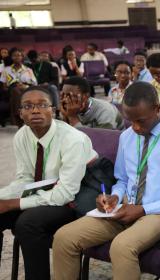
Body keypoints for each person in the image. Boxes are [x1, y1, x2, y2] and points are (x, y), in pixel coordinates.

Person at [52, 81, 160, 280]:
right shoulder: (127, 136)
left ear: (157, 109)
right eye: (130, 120)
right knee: (64, 238)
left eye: (141, 120)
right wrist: (114, 196)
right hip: (124, 207)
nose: (136, 127)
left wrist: (143, 209)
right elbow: (122, 179)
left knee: (122, 247)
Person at [0, 86, 97, 280]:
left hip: (75, 199)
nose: (35, 110)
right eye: (28, 106)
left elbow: (65, 194)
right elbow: (25, 179)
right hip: (44, 193)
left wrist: (13, 203)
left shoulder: (73, 139)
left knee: (27, 223)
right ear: (20, 113)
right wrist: (3, 196)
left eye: (42, 105)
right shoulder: (22, 136)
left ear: (53, 110)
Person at [0, 48, 37, 127]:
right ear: (11, 57)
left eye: (19, 55)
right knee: (15, 91)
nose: (17, 57)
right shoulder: (6, 70)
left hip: (26, 90)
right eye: (14, 55)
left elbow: (35, 84)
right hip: (11, 91)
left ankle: (19, 117)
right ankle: (20, 117)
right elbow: (4, 87)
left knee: (21, 91)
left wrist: (25, 86)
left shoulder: (28, 70)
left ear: (22, 57)